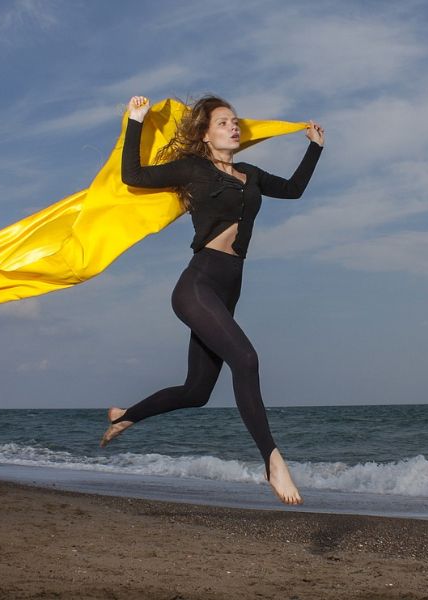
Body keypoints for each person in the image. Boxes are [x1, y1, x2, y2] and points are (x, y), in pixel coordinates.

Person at [100, 95, 324, 506]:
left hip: (228, 288)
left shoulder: (250, 174)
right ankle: (272, 461)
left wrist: (314, 147)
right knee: (247, 360)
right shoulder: (193, 169)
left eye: (235, 121)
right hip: (197, 286)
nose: (234, 126)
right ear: (206, 134)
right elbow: (132, 175)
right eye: (224, 122)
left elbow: (293, 190)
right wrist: (135, 120)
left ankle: (126, 414)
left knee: (197, 390)